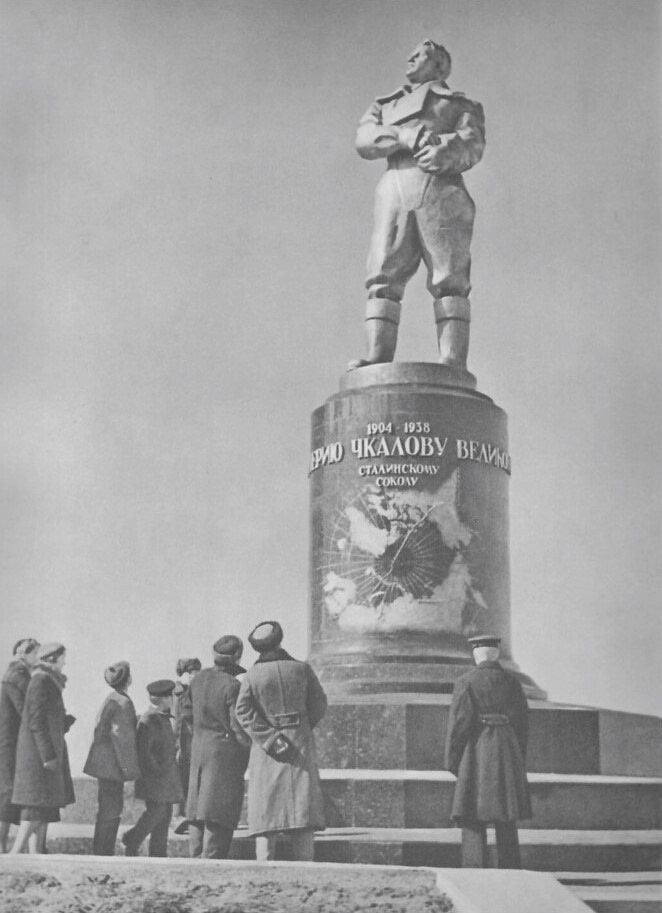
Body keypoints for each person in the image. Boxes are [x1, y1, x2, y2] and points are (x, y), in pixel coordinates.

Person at [350, 39, 485, 371]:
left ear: (439, 65)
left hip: (441, 188)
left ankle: (453, 361)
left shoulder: (459, 105)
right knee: (382, 274)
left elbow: (473, 142)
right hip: (395, 186)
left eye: (420, 54)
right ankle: (377, 355)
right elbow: (365, 140)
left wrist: (444, 150)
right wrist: (404, 137)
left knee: (450, 277)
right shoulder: (385, 106)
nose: (409, 57)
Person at [236, 621, 327, 862]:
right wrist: (302, 730)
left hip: (267, 753)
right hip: (300, 746)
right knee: (302, 812)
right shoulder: (301, 669)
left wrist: (269, 738)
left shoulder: (252, 675)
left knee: (267, 815)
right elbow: (319, 704)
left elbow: (243, 712)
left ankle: (264, 866)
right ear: (280, 639)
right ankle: (306, 865)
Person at [445, 635, 531, 868]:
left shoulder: (466, 682)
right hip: (506, 747)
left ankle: (475, 865)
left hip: (477, 749)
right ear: (497, 654)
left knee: (472, 809)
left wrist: (453, 760)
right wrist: (516, 754)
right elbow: (522, 722)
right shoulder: (512, 682)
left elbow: (460, 723)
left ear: (476, 654)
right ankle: (510, 865)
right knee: (506, 810)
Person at [185, 637, 250, 859]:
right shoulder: (233, 685)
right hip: (223, 755)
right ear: (238, 656)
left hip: (199, 749)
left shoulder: (198, 679)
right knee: (218, 812)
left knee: (197, 810)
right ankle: (210, 861)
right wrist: (248, 748)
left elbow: (185, 714)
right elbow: (237, 725)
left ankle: (194, 859)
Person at [10, 642, 75, 854]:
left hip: (42, 754)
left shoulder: (48, 681)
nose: (65, 662)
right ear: (53, 659)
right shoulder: (40, 681)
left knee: (43, 808)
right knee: (34, 806)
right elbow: (36, 721)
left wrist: (64, 722)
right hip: (37, 756)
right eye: (63, 658)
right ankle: (15, 854)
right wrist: (48, 755)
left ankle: (34, 854)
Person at [83, 661, 141, 855]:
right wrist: (130, 770)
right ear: (128, 680)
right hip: (113, 766)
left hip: (103, 764)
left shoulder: (111, 699)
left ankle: (101, 850)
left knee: (106, 809)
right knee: (112, 810)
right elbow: (122, 738)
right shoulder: (124, 702)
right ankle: (103, 852)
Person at [121, 679, 183, 857]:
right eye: (171, 697)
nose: (173, 701)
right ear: (164, 699)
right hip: (155, 779)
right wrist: (158, 770)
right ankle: (132, 839)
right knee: (156, 812)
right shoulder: (150, 719)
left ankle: (158, 853)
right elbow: (145, 752)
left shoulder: (161, 718)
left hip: (165, 779)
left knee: (164, 816)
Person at [0, 638, 40, 852]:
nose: (38, 658)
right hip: (9, 745)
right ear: (23, 654)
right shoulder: (17, 676)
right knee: (6, 796)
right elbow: (28, 708)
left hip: (12, 743)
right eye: (35, 653)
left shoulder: (16, 675)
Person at [172, 656, 201, 831]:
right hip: (180, 742)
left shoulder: (191, 690)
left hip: (190, 741)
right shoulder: (177, 691)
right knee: (179, 780)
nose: (195, 675)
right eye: (192, 672)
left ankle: (185, 817)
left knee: (188, 779)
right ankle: (177, 817)